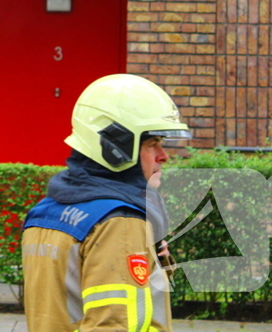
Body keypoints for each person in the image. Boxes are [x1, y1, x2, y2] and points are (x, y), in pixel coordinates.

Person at [21, 74, 192, 332]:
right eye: (152, 144)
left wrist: (156, 265)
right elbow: (115, 324)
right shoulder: (119, 221)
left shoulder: (46, 211)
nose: (164, 156)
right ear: (117, 147)